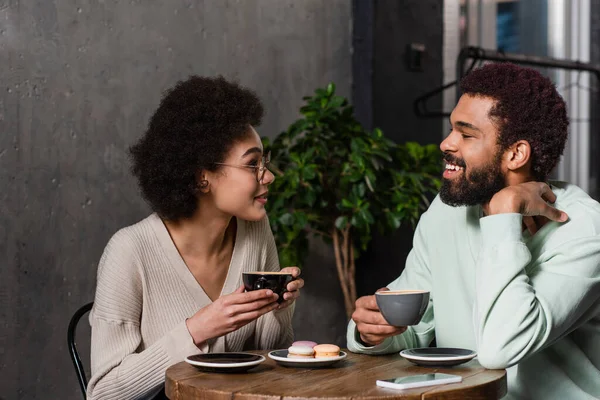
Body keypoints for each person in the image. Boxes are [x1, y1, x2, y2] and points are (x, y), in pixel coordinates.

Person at [347, 63, 600, 399]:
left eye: (466, 135)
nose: (445, 144)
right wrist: (374, 331)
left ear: (515, 154)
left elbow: (501, 350)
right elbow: (415, 329)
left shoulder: (585, 231)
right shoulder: (446, 213)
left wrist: (504, 215)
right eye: (452, 129)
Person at [87, 76, 304, 400]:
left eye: (265, 162)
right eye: (253, 164)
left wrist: (278, 307)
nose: (268, 176)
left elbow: (267, 363)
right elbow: (102, 394)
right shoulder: (130, 251)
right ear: (203, 177)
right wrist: (196, 331)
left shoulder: (256, 231)